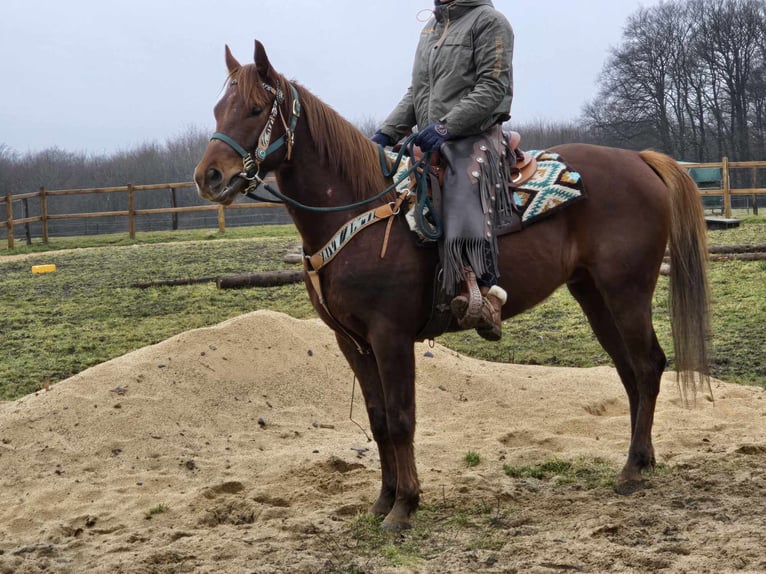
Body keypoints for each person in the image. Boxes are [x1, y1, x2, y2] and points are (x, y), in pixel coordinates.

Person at [372, 0, 515, 341]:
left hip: (474, 134)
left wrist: (446, 127)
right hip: (435, 136)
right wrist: (386, 133)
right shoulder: (431, 28)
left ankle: (484, 291)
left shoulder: (490, 21)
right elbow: (417, 92)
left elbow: (493, 88)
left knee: (461, 182)